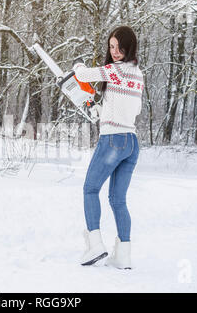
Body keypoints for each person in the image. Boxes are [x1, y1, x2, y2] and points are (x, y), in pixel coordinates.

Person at [73, 26, 144, 269]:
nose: (114, 51)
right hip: (131, 143)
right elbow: (133, 111)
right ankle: (123, 255)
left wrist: (78, 66)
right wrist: (102, 111)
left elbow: (83, 76)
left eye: (119, 47)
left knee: (90, 189)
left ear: (129, 47)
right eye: (111, 46)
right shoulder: (138, 74)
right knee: (118, 200)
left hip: (113, 140)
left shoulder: (114, 71)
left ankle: (95, 244)